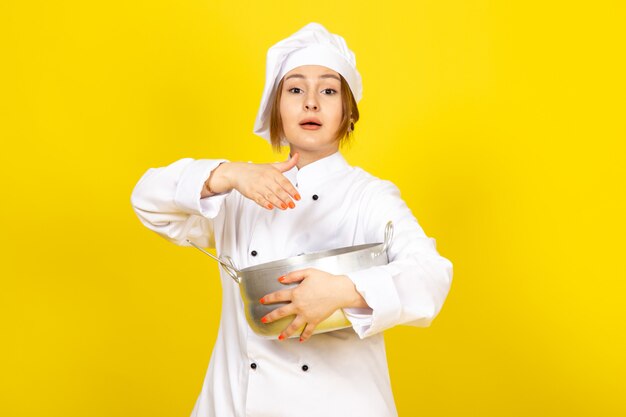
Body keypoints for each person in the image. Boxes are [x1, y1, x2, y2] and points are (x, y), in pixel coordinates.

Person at [131, 22, 453, 417]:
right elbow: (147, 200)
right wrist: (227, 174)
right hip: (232, 405)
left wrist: (346, 291)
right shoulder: (242, 192)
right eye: (296, 89)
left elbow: (431, 275)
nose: (311, 102)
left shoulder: (367, 196)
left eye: (329, 90)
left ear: (349, 114)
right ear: (276, 111)